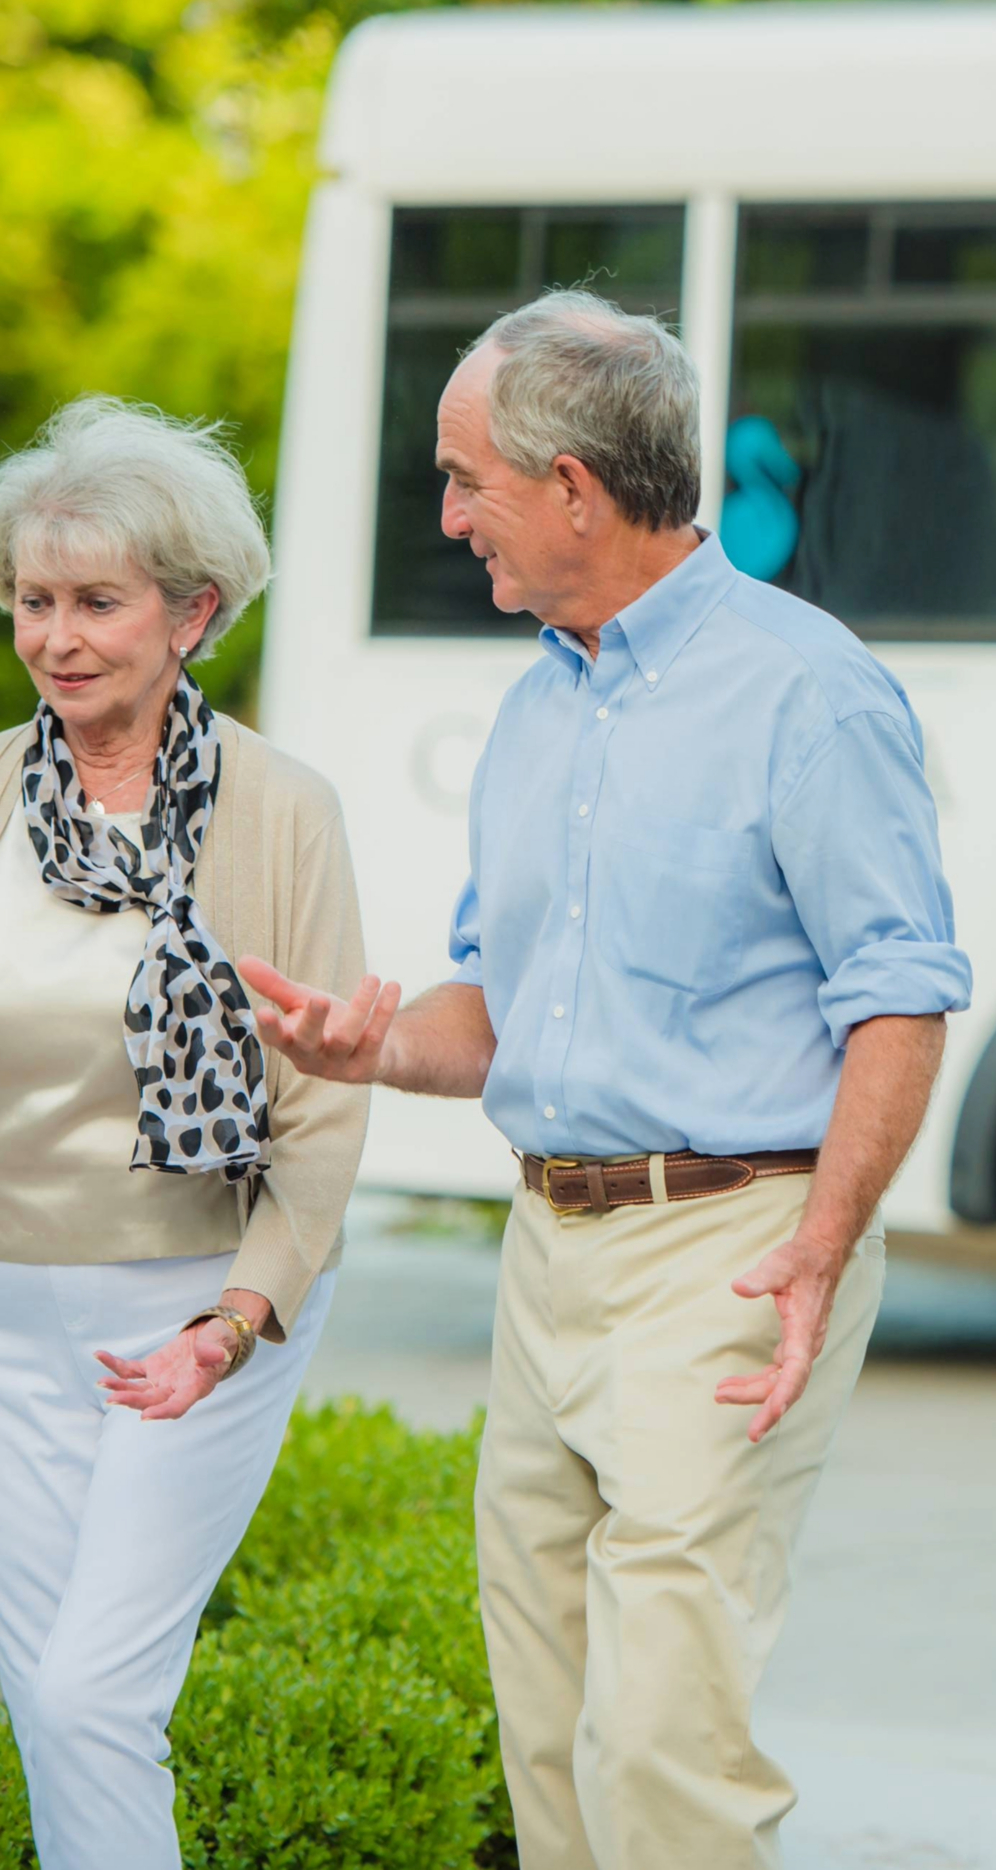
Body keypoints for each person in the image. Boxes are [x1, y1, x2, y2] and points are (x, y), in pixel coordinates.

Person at [241, 289, 971, 1870]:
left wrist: (822, 1248)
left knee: (664, 1749)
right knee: (553, 1727)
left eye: (465, 478)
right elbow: (501, 1015)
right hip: (546, 1252)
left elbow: (902, 999)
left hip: (733, 1237)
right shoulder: (533, 706)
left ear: (573, 484)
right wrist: (370, 1041)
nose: (446, 517)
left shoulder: (810, 692)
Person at [0, 398, 368, 1870]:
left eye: (98, 601)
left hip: (203, 1306)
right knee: (46, 1694)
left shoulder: (283, 813)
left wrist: (230, 1322)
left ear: (193, 610)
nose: (56, 637)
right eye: (34, 598)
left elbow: (326, 1109)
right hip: (15, 1317)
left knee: (92, 1693)